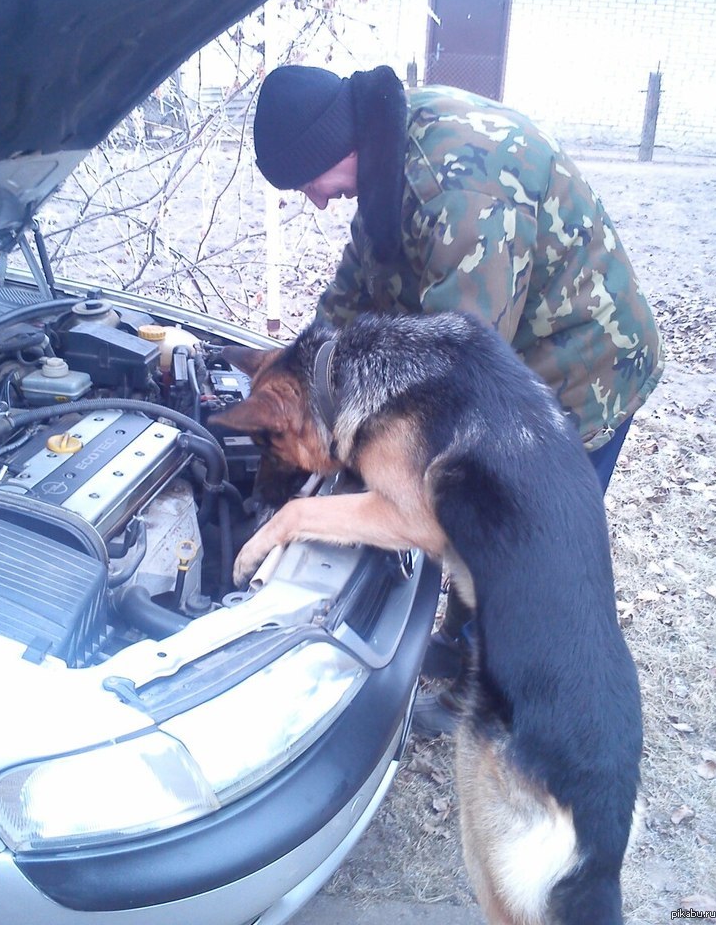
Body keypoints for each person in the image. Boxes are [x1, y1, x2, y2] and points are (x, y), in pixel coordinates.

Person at [252, 63, 663, 735]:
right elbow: (343, 311)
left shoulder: (460, 191)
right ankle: (461, 643)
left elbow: (458, 376)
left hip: (584, 369)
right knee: (469, 521)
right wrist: (307, 388)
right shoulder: (385, 167)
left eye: (309, 183)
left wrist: (374, 461)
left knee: (522, 546)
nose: (317, 201)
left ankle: (496, 704)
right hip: (519, 360)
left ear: (333, 149)